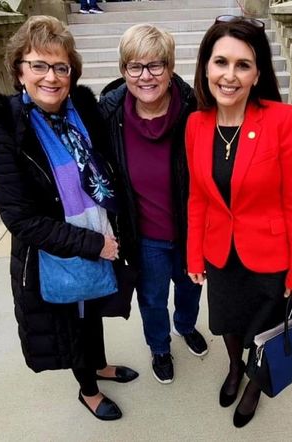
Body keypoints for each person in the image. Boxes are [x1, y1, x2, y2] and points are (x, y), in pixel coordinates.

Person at [0, 15, 138, 422]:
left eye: (61, 67)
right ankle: (88, 389)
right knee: (71, 320)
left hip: (100, 235)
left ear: (72, 72)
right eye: (39, 65)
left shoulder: (82, 111)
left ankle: (99, 364)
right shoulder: (7, 132)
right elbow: (20, 219)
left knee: (93, 310)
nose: (51, 77)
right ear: (19, 70)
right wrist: (91, 244)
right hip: (58, 249)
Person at [186, 16, 292, 427]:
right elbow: (197, 197)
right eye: (221, 62)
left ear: (258, 74)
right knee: (226, 323)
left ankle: (254, 384)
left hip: (270, 254)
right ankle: (235, 369)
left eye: (243, 65)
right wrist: (193, 256)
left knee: (265, 329)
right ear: (206, 67)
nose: (230, 75)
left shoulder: (283, 120)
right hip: (220, 251)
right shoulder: (196, 124)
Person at [98, 23, 208, 384]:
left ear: (171, 67)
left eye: (156, 65)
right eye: (135, 66)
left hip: (191, 231)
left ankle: (186, 326)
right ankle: (160, 347)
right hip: (145, 238)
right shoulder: (108, 116)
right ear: (123, 70)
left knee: (191, 290)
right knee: (152, 299)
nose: (146, 76)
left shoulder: (195, 109)